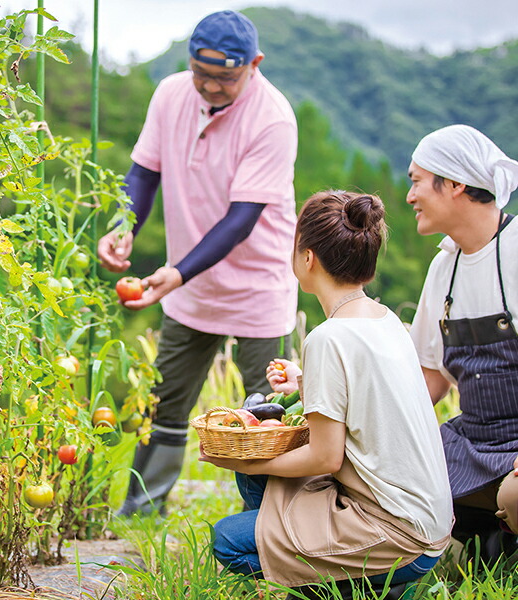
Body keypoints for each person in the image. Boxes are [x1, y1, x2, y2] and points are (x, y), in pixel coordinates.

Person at [201, 190, 453, 594]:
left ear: (307, 257)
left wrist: (248, 464)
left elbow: (325, 456)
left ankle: (353, 586)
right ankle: (309, 550)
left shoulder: (328, 338)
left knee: (230, 540)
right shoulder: (385, 320)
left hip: (396, 533)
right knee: (264, 471)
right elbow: (370, 392)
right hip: (428, 522)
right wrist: (306, 380)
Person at [97, 10, 298, 516]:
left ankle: (272, 521)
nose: (209, 86)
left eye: (225, 77)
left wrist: (177, 271)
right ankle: (142, 510)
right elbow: (143, 172)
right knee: (165, 400)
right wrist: (125, 227)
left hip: (258, 286)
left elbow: (242, 219)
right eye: (200, 73)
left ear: (254, 64)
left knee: (267, 413)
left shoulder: (273, 118)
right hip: (189, 282)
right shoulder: (170, 94)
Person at [407, 124, 518, 563]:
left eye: (416, 181)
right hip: (473, 442)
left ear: (453, 184)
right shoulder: (444, 268)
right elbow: (429, 379)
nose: (410, 195)